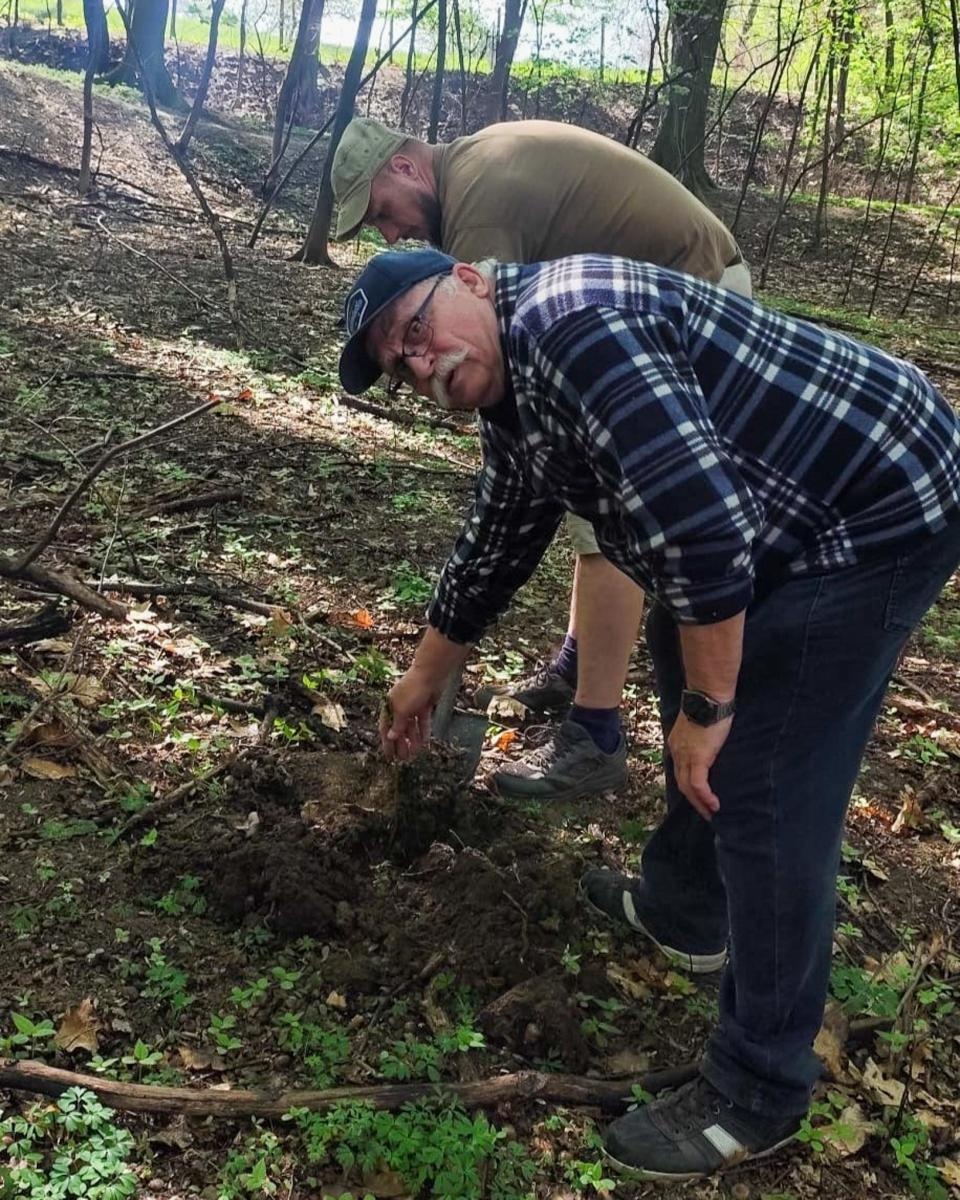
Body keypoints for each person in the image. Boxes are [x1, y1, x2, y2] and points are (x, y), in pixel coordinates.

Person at [336, 247, 960, 1181]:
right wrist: (430, 669)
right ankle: (685, 906)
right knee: (683, 653)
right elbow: (502, 528)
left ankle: (759, 1087)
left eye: (416, 332)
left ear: (468, 277)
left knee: (764, 781)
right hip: (778, 508)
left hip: (873, 505)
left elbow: (705, 537)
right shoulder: (514, 388)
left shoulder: (576, 325)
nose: (422, 366)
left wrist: (712, 707)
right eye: (400, 365)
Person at [331, 116, 751, 803]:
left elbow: (497, 382)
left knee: (612, 516)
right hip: (634, 308)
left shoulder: (481, 209)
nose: (390, 231)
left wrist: (708, 703)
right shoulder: (473, 165)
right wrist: (428, 670)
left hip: (690, 295)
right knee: (561, 483)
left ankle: (595, 732)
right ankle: (579, 663)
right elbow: (506, 466)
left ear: (406, 168)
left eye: (382, 211)